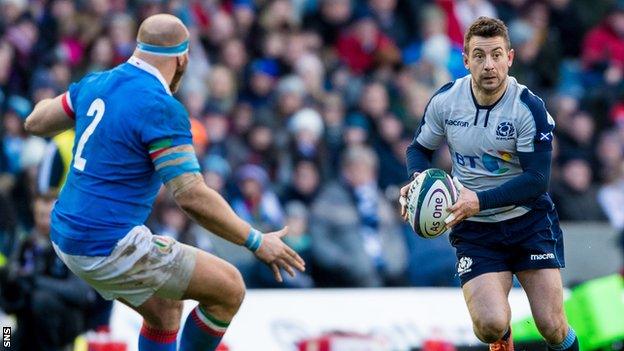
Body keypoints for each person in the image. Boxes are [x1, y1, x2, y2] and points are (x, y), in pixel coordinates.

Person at [24, 13, 304, 351]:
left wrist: (70, 99)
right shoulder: (160, 107)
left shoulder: (96, 83)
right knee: (229, 287)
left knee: (165, 311)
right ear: (182, 58)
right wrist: (257, 241)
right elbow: (190, 196)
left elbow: (35, 122)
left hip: (65, 234)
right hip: (107, 243)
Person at [400, 17, 578, 351]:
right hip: (476, 231)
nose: (489, 65)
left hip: (529, 222)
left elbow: (538, 180)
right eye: (479, 56)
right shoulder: (446, 101)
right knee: (489, 326)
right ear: (466, 60)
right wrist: (416, 182)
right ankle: (502, 339)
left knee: (552, 327)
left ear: (510, 58)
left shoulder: (528, 108)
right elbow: (419, 149)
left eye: (496, 55)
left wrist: (477, 201)